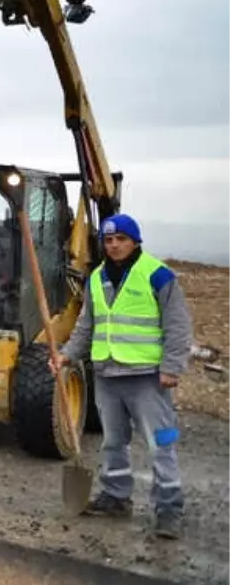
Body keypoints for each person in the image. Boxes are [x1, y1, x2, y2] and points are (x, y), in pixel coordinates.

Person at [52, 213, 195, 540]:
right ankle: (116, 497)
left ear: (135, 241)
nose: (114, 245)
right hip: (107, 375)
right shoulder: (96, 278)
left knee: (161, 444)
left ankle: (169, 509)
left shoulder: (158, 275)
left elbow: (178, 326)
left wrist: (172, 367)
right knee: (114, 442)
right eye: (109, 240)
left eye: (121, 239)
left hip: (147, 378)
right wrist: (66, 355)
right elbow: (87, 325)